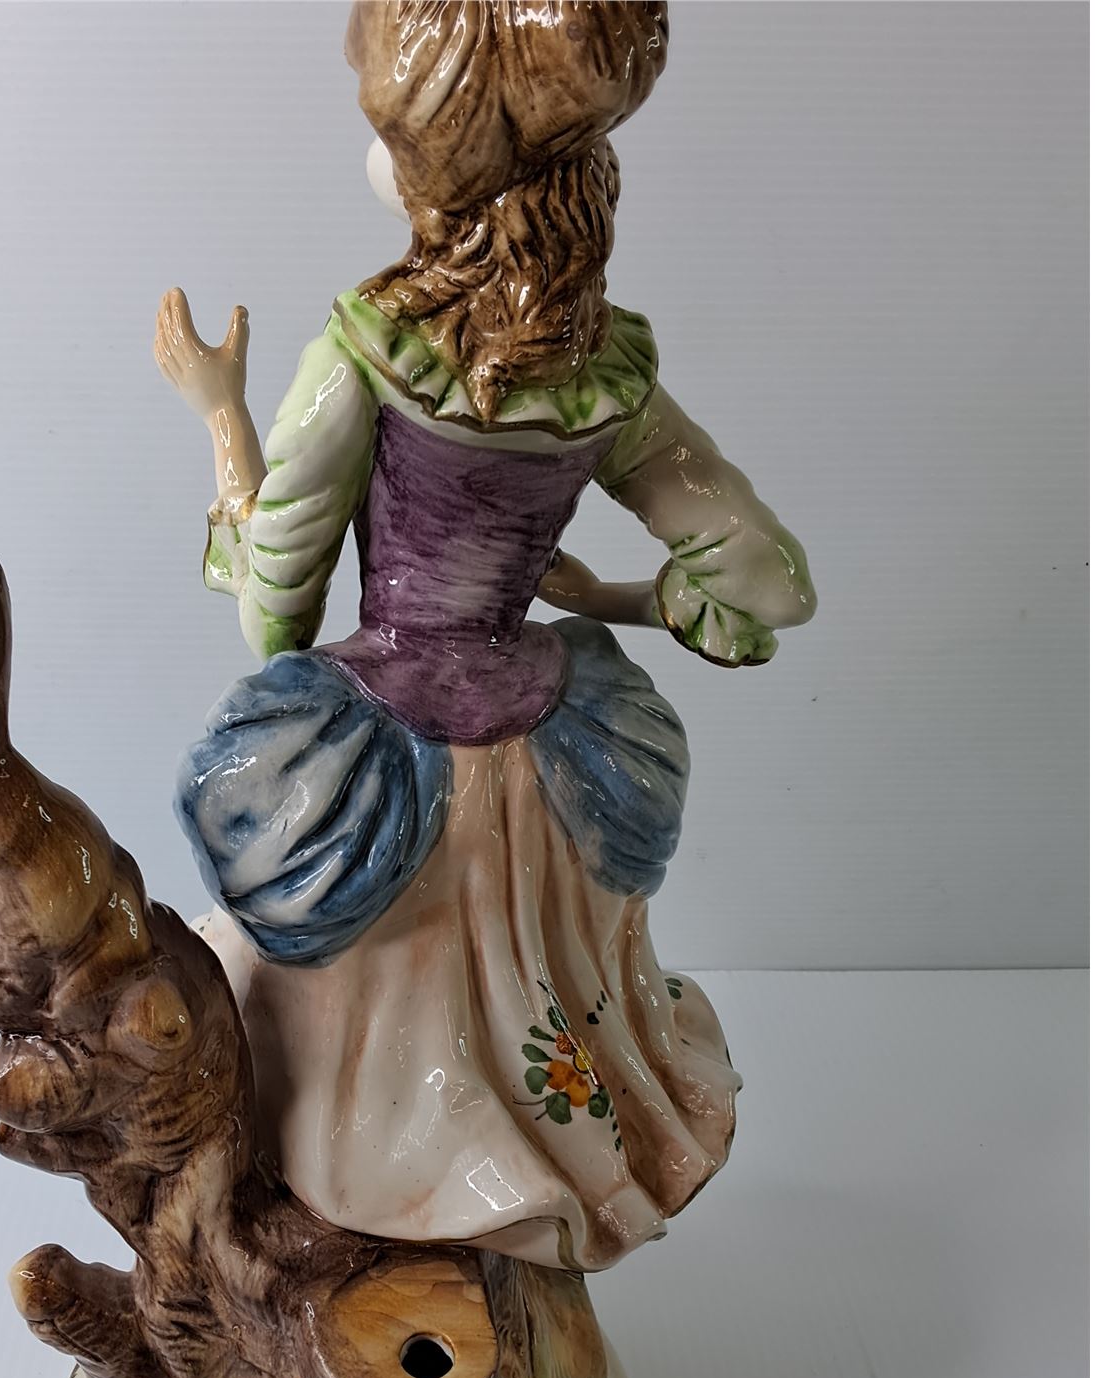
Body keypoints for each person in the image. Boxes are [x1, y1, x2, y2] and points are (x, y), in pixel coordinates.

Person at [153, 0, 815, 1272]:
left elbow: (274, 612)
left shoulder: (367, 353)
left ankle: (398, 1206)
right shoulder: (608, 374)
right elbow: (765, 583)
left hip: (384, 764)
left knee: (341, 1028)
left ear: (434, 182)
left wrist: (221, 417)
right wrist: (609, 600)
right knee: (535, 1022)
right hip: (553, 771)